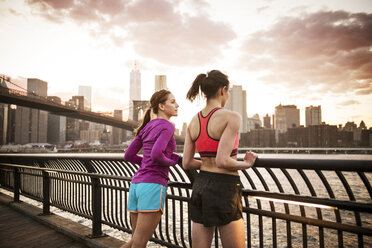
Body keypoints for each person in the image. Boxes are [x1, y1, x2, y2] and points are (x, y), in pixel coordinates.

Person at [182, 70, 257, 248]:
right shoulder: (231, 117)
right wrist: (245, 163)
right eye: (228, 91)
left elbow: (187, 163)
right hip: (225, 187)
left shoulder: (193, 121)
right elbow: (223, 161)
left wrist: (207, 163)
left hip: (200, 185)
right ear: (223, 90)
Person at [121, 89, 180, 248]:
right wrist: (173, 161)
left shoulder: (146, 127)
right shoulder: (167, 126)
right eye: (173, 102)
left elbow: (128, 155)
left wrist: (145, 163)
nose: (177, 105)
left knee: (135, 241)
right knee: (139, 244)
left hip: (137, 185)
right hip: (153, 184)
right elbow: (156, 154)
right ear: (161, 106)